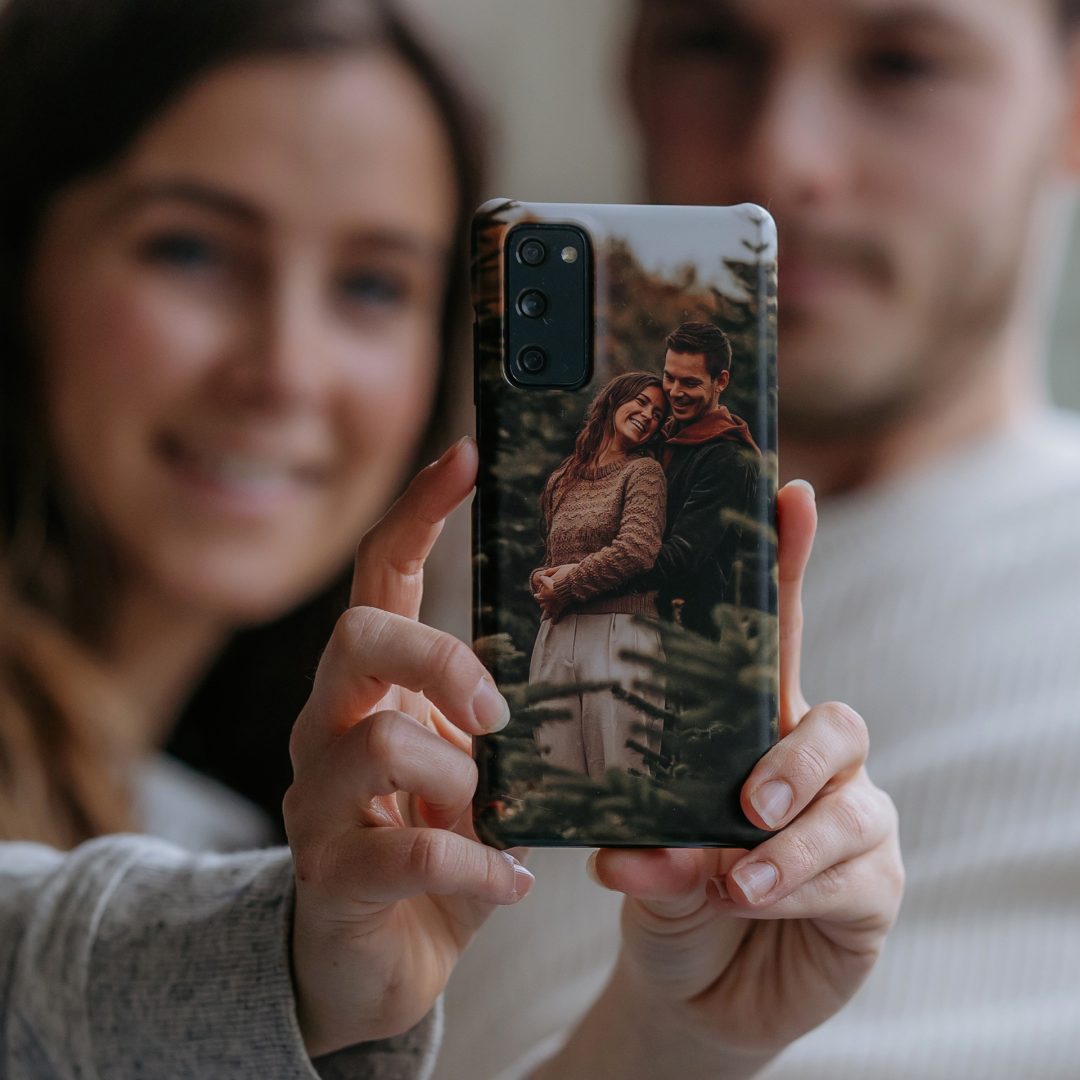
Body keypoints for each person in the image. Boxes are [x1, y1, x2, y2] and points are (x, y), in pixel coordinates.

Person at [0, 3, 903, 1079]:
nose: (287, 368)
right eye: (189, 250)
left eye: (373, 285)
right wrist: (271, 960)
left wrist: (683, 1037)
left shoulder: (251, 821)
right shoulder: (234, 890)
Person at [435, 0, 1080, 1076]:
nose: (783, 155)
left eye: (903, 65)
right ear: (630, 74)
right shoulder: (423, 565)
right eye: (712, 44)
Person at [529, 371, 668, 778]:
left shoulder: (643, 473)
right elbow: (553, 557)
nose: (648, 415)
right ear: (614, 400)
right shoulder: (563, 478)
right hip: (556, 635)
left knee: (619, 779)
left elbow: (637, 548)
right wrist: (541, 580)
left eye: (658, 414)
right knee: (561, 779)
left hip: (619, 633)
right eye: (641, 402)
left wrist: (567, 585)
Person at [638, 322, 762, 638]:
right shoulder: (660, 434)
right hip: (640, 618)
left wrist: (593, 579)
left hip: (686, 632)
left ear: (721, 381)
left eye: (690, 383)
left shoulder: (727, 457)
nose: (675, 392)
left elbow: (683, 555)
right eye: (669, 377)